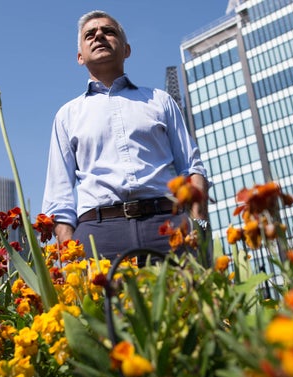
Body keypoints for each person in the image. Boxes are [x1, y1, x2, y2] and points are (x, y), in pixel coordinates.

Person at [42, 10, 209, 262]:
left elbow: (191, 167)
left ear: (126, 49)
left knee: (185, 301)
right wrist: (69, 249)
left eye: (109, 31)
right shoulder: (67, 115)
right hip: (98, 234)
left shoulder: (159, 101)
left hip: (168, 224)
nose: (99, 35)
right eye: (90, 34)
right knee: (101, 303)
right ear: (79, 57)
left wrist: (198, 224)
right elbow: (58, 194)